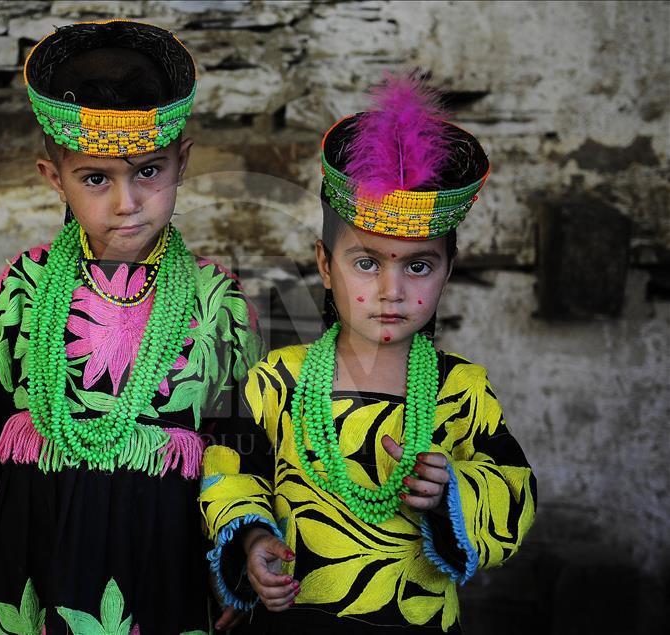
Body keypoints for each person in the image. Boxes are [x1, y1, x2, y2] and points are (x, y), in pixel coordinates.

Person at [0, 20, 262, 635]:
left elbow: (234, 442)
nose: (126, 202)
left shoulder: (217, 301)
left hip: (161, 554)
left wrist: (232, 556)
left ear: (182, 163)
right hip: (35, 545)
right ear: (56, 179)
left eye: (149, 172)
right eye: (96, 178)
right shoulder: (23, 285)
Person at [199, 76, 537, 633]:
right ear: (325, 264)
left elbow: (515, 488)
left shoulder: (463, 391)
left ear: (448, 272)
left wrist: (453, 490)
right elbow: (229, 471)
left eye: (419, 266)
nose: (392, 290)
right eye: (366, 263)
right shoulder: (277, 380)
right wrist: (254, 537)